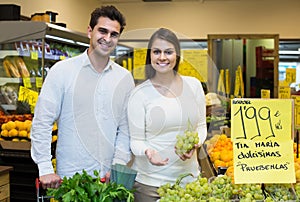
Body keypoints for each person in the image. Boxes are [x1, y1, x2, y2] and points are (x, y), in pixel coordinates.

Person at [31, 5, 135, 189]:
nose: (107, 38)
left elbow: (125, 128)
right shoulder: (62, 71)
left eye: (114, 34)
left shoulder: (124, 78)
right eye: (102, 31)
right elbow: (42, 121)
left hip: (108, 181)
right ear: (90, 31)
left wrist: (118, 164)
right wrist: (45, 167)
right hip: (71, 179)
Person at [127, 28, 207, 202]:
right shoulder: (139, 94)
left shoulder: (193, 86)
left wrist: (196, 144)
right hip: (150, 185)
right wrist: (148, 151)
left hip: (189, 181)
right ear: (150, 56)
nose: (162, 57)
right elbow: (135, 141)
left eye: (168, 52)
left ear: (177, 55)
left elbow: (201, 126)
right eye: (156, 52)